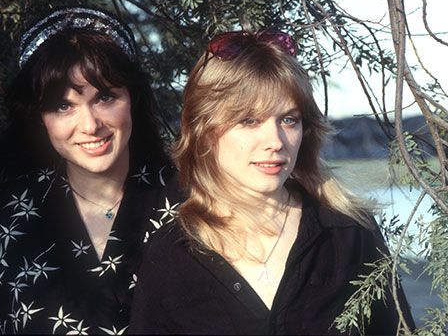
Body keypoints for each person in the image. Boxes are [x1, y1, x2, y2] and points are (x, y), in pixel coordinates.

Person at [129, 29, 415, 334]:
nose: (276, 141)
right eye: (249, 120)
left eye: (288, 119)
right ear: (205, 131)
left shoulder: (349, 234)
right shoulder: (170, 257)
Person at [0, 7, 182, 334]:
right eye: (63, 105)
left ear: (133, 98)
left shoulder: (197, 206)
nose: (89, 125)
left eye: (105, 97)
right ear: (38, 116)